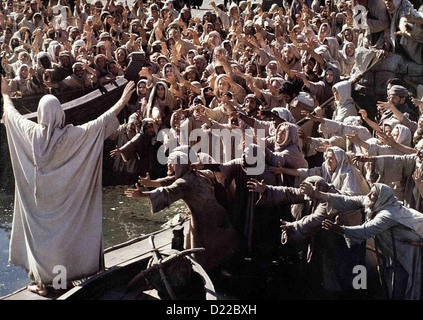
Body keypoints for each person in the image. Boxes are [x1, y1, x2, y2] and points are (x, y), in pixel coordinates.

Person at [1, 77, 135, 296]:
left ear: (40, 113)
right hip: (65, 198)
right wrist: (121, 101)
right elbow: (100, 123)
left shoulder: (31, 133)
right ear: (60, 113)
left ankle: (48, 285)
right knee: (64, 240)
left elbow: (13, 117)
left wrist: (5, 94)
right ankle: (61, 281)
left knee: (45, 241)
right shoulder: (72, 136)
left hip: (40, 201)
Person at [301, 181, 423, 300]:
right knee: (392, 281)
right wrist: (318, 194)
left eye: (373, 194)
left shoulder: (387, 215)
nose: (368, 196)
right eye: (370, 192)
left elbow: (365, 231)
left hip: (406, 251)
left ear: (381, 198)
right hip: (395, 249)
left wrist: (340, 229)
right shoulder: (378, 202)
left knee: (405, 283)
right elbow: (346, 200)